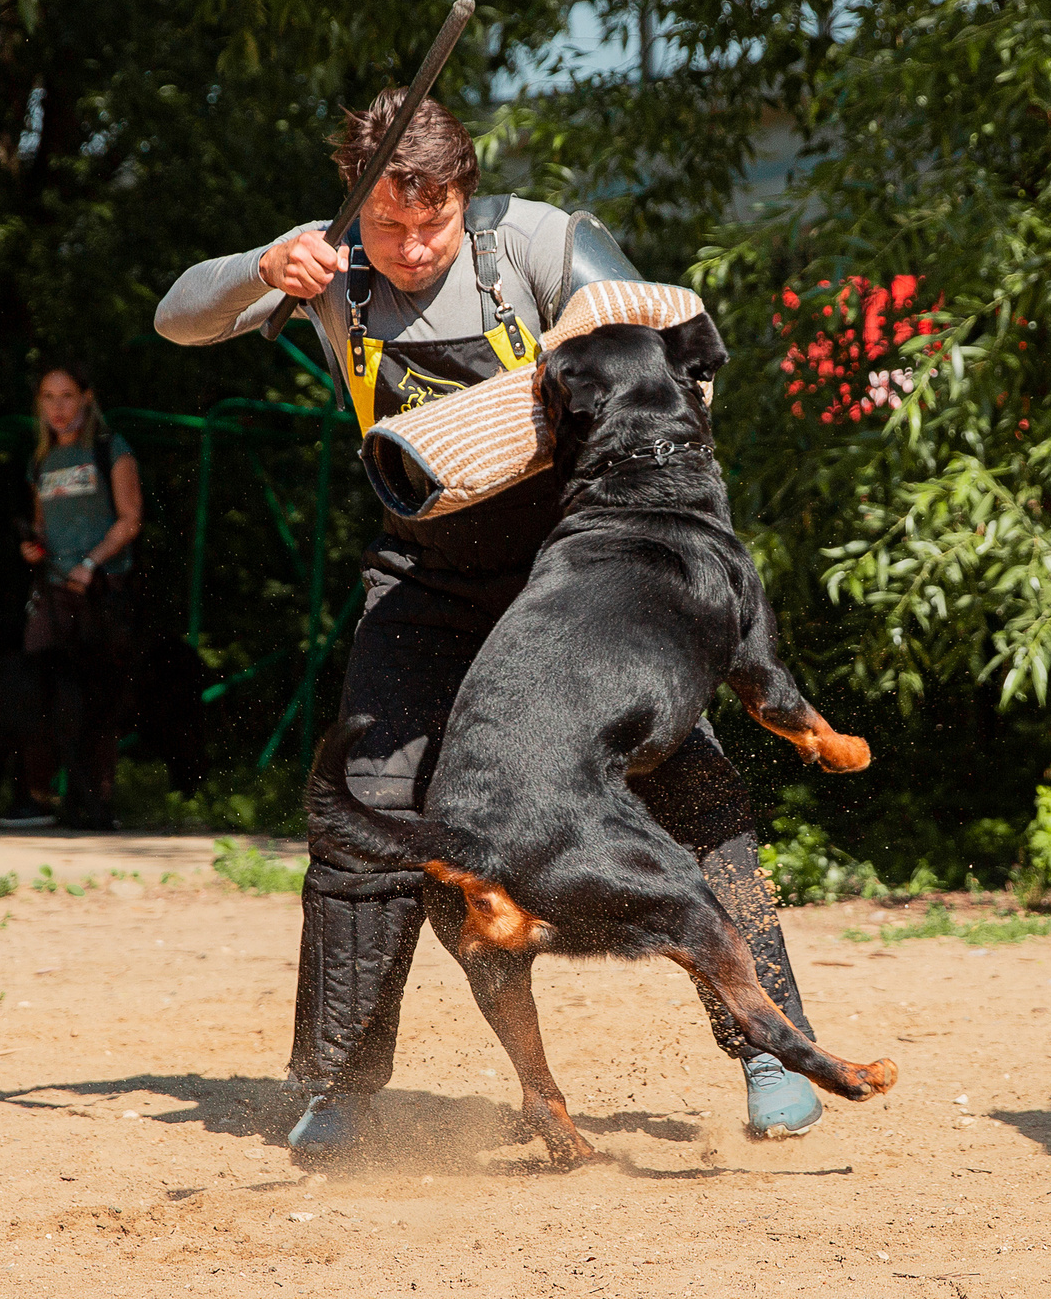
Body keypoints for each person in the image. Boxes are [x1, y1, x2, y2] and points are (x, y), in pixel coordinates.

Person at [156, 89, 829, 1161]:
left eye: (434, 221)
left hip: (576, 578)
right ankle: (340, 1084)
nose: (413, 246)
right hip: (423, 580)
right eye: (388, 223)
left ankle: (770, 1046)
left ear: (465, 197)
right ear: (354, 203)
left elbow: (668, 354)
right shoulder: (324, 264)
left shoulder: (538, 242)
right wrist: (259, 267)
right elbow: (177, 316)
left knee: (694, 788)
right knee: (367, 812)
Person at [0, 364, 142, 832]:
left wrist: (91, 564)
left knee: (95, 697)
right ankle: (37, 796)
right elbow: (44, 525)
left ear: (86, 398)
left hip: (101, 592)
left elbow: (130, 519)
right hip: (53, 593)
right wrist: (34, 546)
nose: (57, 407)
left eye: (66, 396)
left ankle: (95, 801)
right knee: (37, 689)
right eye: (48, 397)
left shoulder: (110, 448)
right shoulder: (41, 460)